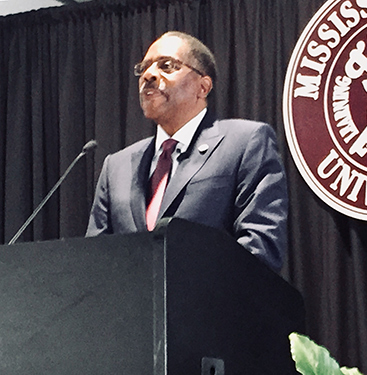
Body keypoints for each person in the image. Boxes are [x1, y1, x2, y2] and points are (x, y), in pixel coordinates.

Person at [86, 31, 288, 272]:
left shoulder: (244, 142)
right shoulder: (116, 167)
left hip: (212, 307)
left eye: (166, 66)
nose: (148, 75)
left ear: (203, 87)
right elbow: (94, 263)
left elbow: (259, 248)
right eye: (144, 68)